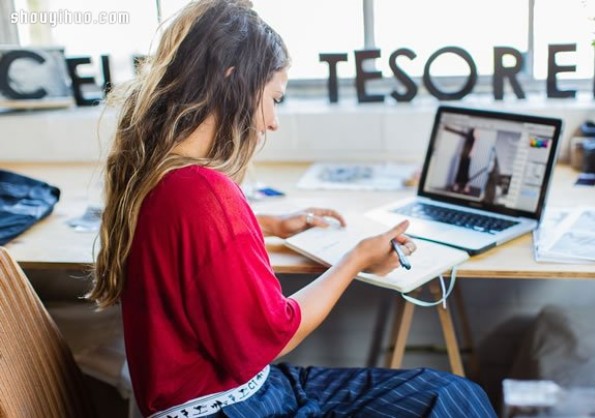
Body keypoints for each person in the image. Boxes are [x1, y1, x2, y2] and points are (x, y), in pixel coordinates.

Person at [89, 1, 496, 417]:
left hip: (204, 397)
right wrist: (354, 260)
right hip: (229, 405)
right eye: (274, 98)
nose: (272, 122)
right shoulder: (204, 192)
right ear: (235, 82)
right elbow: (273, 336)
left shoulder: (162, 174)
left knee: (443, 393)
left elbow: (184, 243)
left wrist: (267, 225)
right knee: (452, 397)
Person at [445, 125, 477, 194]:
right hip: (464, 156)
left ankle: (464, 188)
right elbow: (459, 133)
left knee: (464, 172)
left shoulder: (472, 137)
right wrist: (448, 128)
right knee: (462, 171)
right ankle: (459, 187)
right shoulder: (469, 136)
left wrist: (471, 154)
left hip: (466, 156)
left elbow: (473, 147)